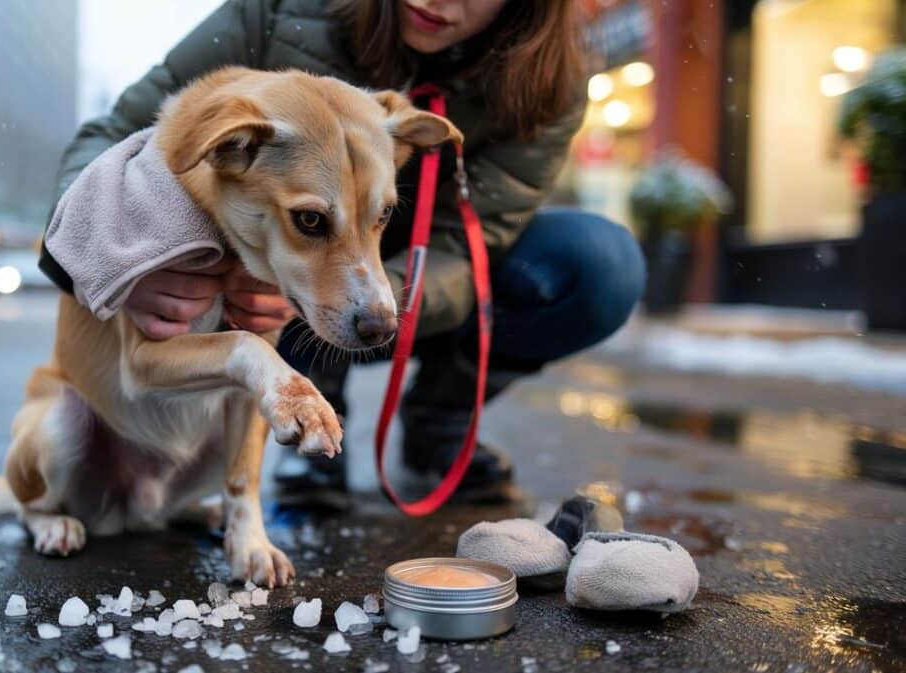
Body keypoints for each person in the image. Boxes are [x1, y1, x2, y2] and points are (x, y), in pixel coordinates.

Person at [40, 0, 646, 504]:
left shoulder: (550, 81)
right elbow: (110, 136)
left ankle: (441, 423)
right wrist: (107, 259)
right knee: (303, 257)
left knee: (599, 264)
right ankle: (315, 430)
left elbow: (469, 244)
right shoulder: (280, 11)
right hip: (270, 278)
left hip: (412, 286)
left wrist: (371, 292)